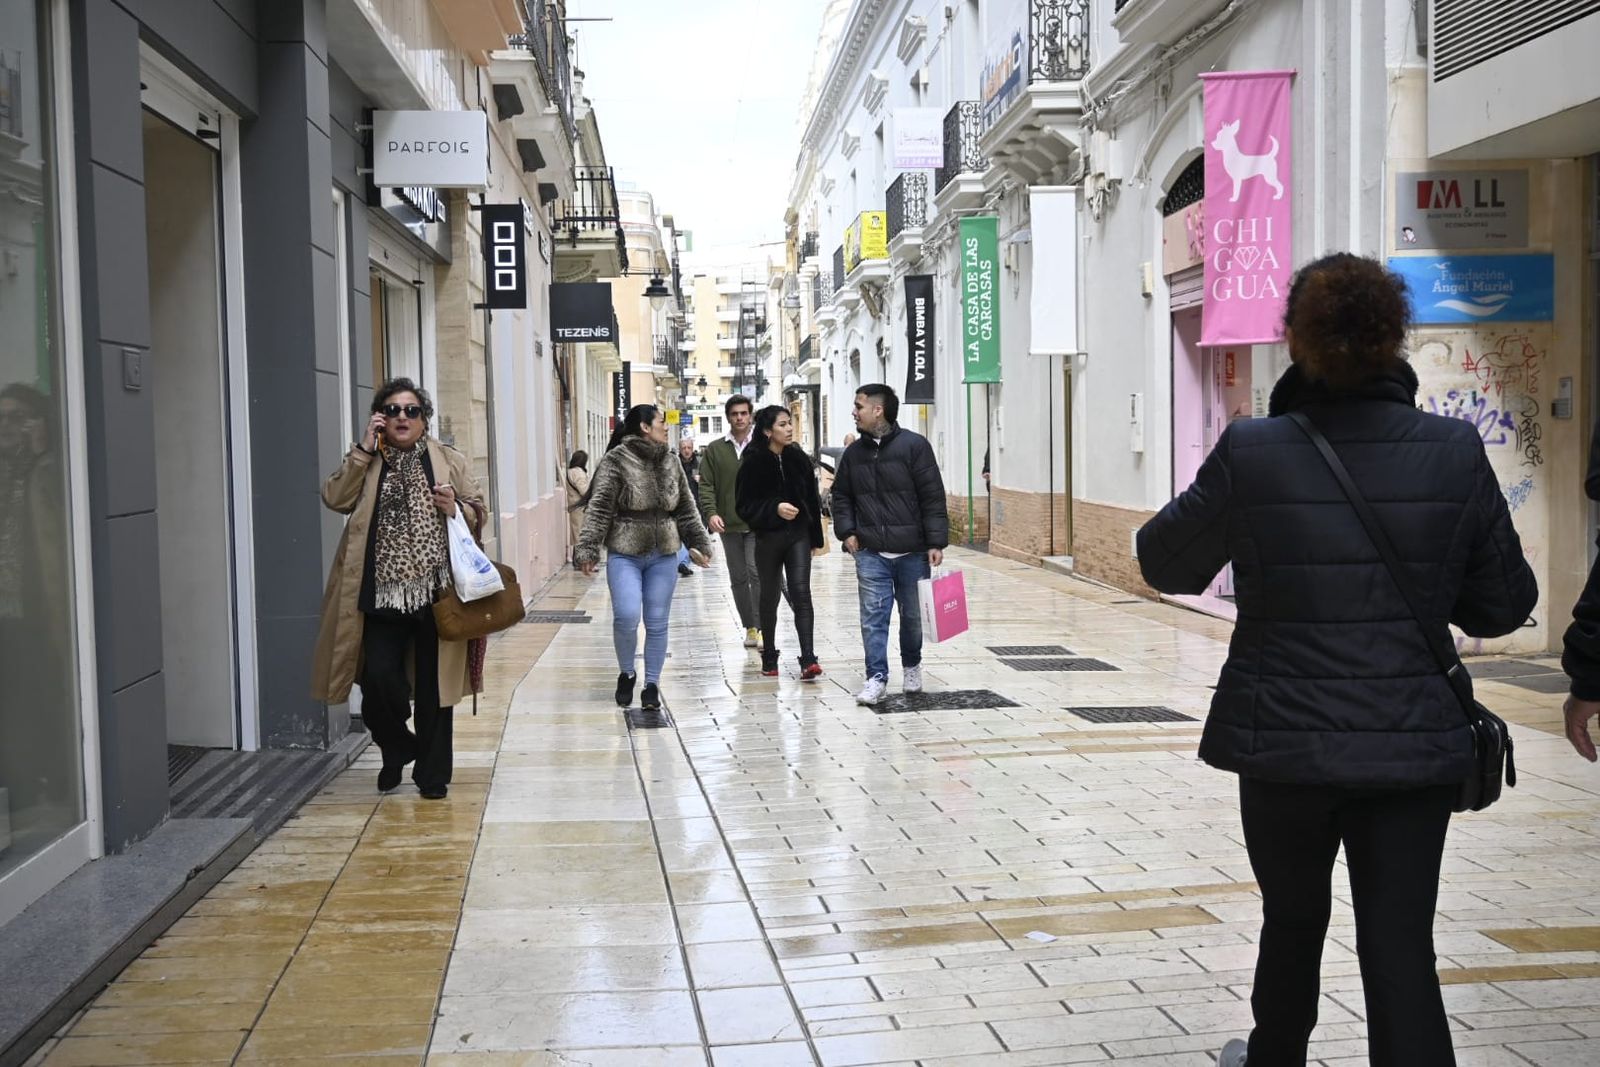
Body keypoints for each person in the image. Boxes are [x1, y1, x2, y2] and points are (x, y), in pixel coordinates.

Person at [1136, 254, 1537, 1067]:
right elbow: (1502, 605)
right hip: (1410, 748)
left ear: (1294, 341)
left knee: (1292, 920)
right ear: (1395, 340)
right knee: (1399, 946)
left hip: (1284, 746)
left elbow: (1163, 561)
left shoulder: (1255, 451)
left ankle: (1274, 1056)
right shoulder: (1454, 450)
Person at [313, 378, 487, 800]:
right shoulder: (366, 459)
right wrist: (362, 451)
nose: (402, 417)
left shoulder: (448, 460)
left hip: (437, 595)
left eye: (411, 410)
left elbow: (479, 510)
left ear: (424, 419)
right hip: (380, 595)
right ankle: (397, 747)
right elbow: (334, 498)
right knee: (378, 683)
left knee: (434, 691)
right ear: (379, 420)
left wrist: (457, 509)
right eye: (392, 410)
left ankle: (432, 776)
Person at [576, 404, 714, 712]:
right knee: (626, 616)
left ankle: (651, 685)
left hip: (664, 553)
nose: (666, 427)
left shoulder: (672, 461)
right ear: (644, 427)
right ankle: (627, 672)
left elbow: (686, 508)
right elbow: (599, 508)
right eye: (661, 422)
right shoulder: (616, 460)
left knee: (657, 621)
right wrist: (587, 549)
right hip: (625, 552)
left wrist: (700, 544)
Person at [831, 383, 949, 706]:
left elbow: (932, 496)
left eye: (859, 406)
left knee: (912, 617)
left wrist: (936, 541)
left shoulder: (915, 447)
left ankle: (911, 664)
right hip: (870, 552)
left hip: (912, 551)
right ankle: (877, 677)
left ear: (878, 410)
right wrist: (847, 532)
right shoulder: (853, 454)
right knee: (873, 616)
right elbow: (840, 496)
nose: (854, 412)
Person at [736, 406, 825, 679]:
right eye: (782, 425)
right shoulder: (752, 461)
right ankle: (770, 655)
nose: (789, 429)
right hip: (768, 537)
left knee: (801, 593)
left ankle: (808, 658)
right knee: (770, 595)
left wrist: (815, 538)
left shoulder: (799, 458)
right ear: (767, 431)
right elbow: (743, 506)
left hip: (798, 535)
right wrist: (774, 508)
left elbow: (812, 499)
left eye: (790, 424)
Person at [699, 395, 762, 647]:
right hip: (728, 525)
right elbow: (706, 486)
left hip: (757, 524)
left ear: (750, 416)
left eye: (744, 413)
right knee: (738, 577)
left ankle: (762, 624)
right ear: (728, 417)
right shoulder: (715, 449)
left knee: (756, 573)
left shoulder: (761, 445)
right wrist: (711, 513)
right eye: (734, 414)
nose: (739, 418)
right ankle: (750, 627)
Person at [676, 437, 701, 577]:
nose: (686, 451)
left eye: (689, 448)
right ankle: (683, 563)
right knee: (684, 536)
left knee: (692, 537)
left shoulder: (700, 464)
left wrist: (702, 480)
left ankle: (683, 562)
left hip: (696, 507)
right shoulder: (674, 464)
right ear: (680, 449)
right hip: (679, 507)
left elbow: (710, 484)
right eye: (683, 448)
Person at [565, 451, 590, 569]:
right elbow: (584, 490)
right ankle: (581, 562)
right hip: (581, 507)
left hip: (574, 506)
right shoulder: (578, 473)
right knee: (581, 534)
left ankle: (577, 561)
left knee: (577, 534)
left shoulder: (569, 472)